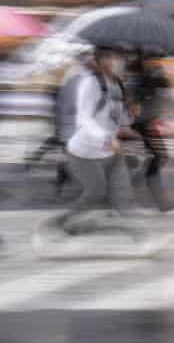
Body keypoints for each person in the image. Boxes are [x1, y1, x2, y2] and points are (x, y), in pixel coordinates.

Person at [37, 45, 144, 242]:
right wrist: (105, 138)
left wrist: (131, 115)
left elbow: (117, 120)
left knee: (124, 195)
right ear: (101, 61)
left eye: (122, 57)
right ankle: (61, 224)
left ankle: (141, 238)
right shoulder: (90, 83)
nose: (120, 62)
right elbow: (83, 119)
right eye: (114, 57)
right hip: (83, 153)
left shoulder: (118, 85)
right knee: (96, 193)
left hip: (110, 153)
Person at [25, 47, 94, 198]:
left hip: (71, 125)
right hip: (74, 125)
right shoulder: (79, 79)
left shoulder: (77, 78)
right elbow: (72, 105)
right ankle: (68, 183)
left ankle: (61, 182)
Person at [125, 49, 171, 211]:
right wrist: (144, 119)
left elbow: (164, 89)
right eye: (156, 60)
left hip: (146, 122)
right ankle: (158, 200)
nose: (159, 63)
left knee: (159, 157)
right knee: (160, 156)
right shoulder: (138, 80)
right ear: (147, 61)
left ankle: (134, 185)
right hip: (142, 124)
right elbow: (132, 105)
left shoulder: (152, 78)